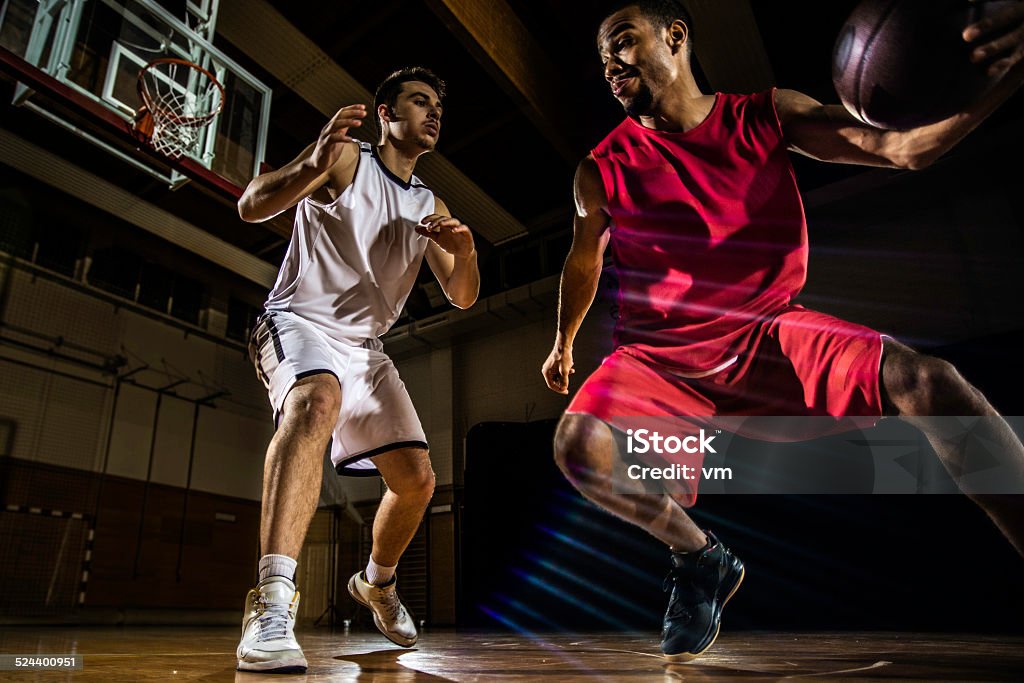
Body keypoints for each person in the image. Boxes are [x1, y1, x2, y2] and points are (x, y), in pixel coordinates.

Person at [542, 0, 1024, 663]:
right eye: (601, 58)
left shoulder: (763, 115)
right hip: (663, 360)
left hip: (770, 335)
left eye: (622, 43)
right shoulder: (600, 167)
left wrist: (1006, 77)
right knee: (578, 445)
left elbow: (903, 148)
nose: (609, 64)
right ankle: (700, 556)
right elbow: (583, 259)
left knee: (931, 381)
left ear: (675, 38)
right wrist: (564, 341)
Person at [235, 66, 479, 673]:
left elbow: (464, 295)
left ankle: (376, 582)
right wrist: (311, 162)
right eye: (419, 100)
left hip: (364, 347)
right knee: (315, 402)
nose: (433, 111)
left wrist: (467, 253)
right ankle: (270, 604)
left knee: (418, 480)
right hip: (298, 321)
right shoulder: (344, 158)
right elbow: (250, 205)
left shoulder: (430, 202)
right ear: (386, 112)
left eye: (437, 104)